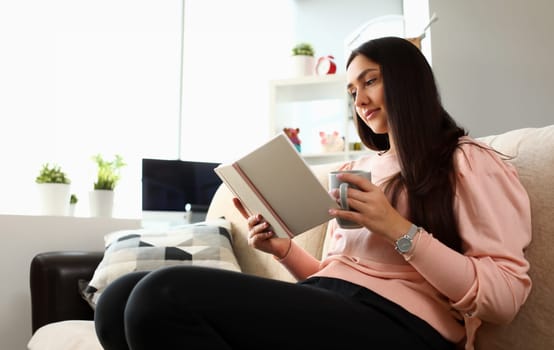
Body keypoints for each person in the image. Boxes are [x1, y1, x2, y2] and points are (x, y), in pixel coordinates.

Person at [94, 36, 532, 350]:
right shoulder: (357, 169)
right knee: (116, 300)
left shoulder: (468, 161)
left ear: (408, 81)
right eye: (352, 90)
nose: (360, 98)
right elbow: (335, 273)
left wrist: (399, 229)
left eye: (371, 81)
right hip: (332, 300)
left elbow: (505, 297)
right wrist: (284, 249)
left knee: (161, 296)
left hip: (406, 325)